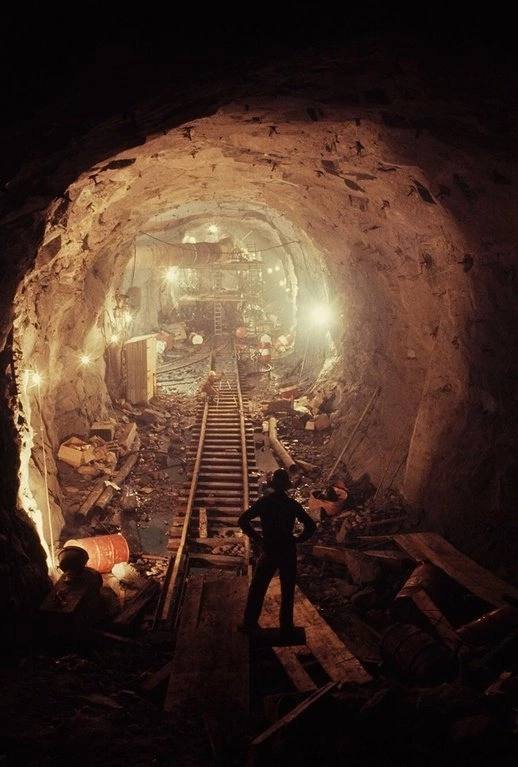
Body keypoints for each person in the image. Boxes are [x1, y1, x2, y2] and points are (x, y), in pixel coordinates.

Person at [238, 468, 316, 634]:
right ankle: (286, 626)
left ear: (273, 485)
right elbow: (311, 526)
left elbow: (243, 520)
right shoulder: (292, 504)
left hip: (270, 549)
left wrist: (258, 539)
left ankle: (249, 624)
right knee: (287, 590)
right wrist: (298, 539)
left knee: (258, 588)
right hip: (288, 550)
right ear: (286, 486)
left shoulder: (265, 502)